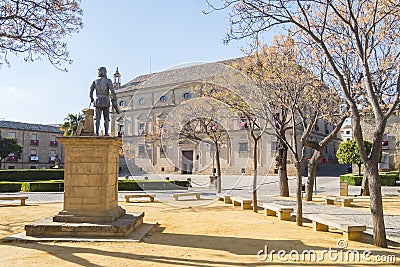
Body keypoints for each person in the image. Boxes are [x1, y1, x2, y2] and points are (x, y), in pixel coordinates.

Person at [89, 67, 119, 136]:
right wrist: (114, 100)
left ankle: (96, 133)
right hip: (106, 100)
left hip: (98, 100)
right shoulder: (108, 81)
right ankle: (106, 133)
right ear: (105, 72)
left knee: (97, 118)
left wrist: (92, 98)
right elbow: (112, 91)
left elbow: (91, 91)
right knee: (106, 118)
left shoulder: (95, 81)